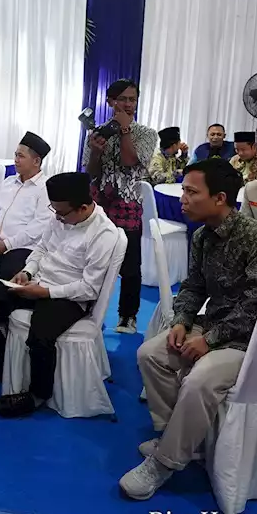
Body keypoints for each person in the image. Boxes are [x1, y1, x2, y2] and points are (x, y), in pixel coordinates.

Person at [120, 158, 257, 500]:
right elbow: (194, 287)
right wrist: (182, 321)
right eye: (183, 190)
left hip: (253, 339)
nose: (183, 198)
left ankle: (164, 462)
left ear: (220, 198)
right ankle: (176, 437)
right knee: (150, 353)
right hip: (213, 327)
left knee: (200, 378)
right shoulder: (202, 237)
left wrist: (208, 340)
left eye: (191, 191)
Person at [0, 172, 119, 413]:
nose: (56, 216)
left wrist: (44, 293)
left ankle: (37, 395)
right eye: (54, 210)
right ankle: (3, 365)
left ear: (82, 208)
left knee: (40, 337)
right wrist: (27, 273)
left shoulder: (104, 234)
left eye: (61, 213)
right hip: (37, 282)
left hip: (69, 297)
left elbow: (89, 288)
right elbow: (40, 249)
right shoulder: (60, 217)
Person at [83, 79, 156, 335]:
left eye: (132, 99)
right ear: (110, 102)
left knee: (130, 264)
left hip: (128, 203)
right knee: (93, 258)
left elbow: (129, 161)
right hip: (99, 204)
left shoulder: (146, 133)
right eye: (122, 99)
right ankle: (87, 309)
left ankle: (127, 315)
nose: (128, 104)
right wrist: (95, 151)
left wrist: (125, 131)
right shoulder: (98, 132)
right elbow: (91, 172)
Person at [0, 132, 52, 288]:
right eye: (15, 155)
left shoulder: (46, 189)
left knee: (9, 275)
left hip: (22, 248)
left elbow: (38, 228)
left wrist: (7, 245)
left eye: (21, 156)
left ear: (36, 161)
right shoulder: (8, 182)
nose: (15, 160)